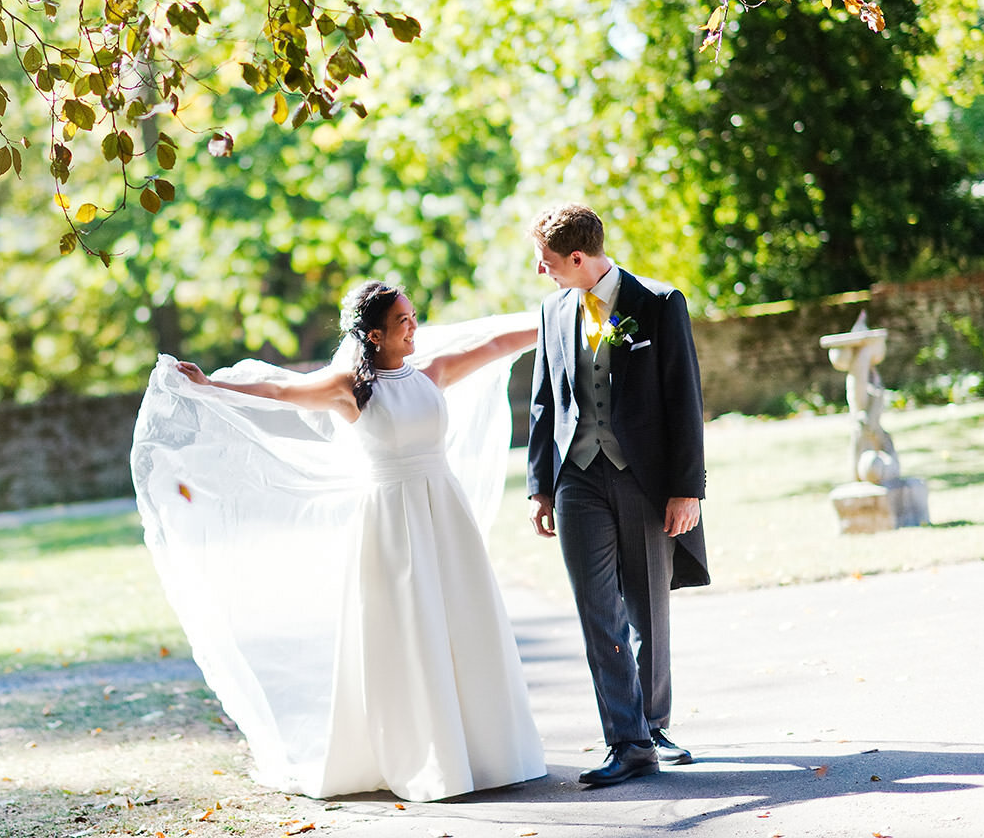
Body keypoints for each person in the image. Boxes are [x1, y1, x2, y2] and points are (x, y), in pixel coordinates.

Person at [131, 281, 546, 802]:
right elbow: (280, 392)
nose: (415, 326)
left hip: (445, 513)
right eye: (403, 321)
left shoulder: (431, 374)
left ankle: (484, 752)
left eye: (414, 317)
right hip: (391, 521)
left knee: (463, 618)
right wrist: (210, 386)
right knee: (409, 628)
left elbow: (491, 347)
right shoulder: (348, 387)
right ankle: (421, 754)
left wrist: (560, 314)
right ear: (374, 335)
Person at [525, 202, 710, 788]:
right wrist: (540, 487)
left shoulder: (657, 303)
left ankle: (652, 726)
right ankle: (626, 740)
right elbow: (542, 402)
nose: (541, 271)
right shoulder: (553, 311)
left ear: (578, 258)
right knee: (596, 609)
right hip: (577, 476)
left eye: (547, 261)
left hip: (644, 477)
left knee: (648, 606)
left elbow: (685, 399)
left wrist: (687, 489)